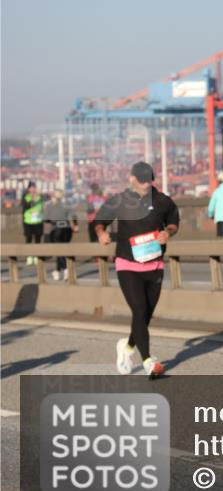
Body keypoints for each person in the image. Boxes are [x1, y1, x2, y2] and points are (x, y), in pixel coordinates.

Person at [94, 162, 179, 379]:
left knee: (146, 315)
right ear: (131, 179)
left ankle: (128, 346)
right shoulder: (120, 200)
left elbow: (173, 221)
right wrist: (101, 233)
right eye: (141, 181)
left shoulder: (162, 201)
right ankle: (149, 361)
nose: (145, 185)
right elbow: (99, 221)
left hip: (155, 265)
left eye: (148, 180)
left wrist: (168, 232)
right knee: (139, 310)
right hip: (128, 265)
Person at [43, 190, 79, 281]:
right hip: (67, 229)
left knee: (59, 251)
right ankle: (57, 271)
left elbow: (46, 219)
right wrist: (75, 225)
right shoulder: (67, 204)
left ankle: (66, 270)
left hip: (56, 229)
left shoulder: (50, 205)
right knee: (63, 250)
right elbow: (73, 215)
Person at [21, 182, 44, 266]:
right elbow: (26, 205)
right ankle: (29, 257)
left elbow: (42, 206)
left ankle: (37, 256)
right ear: (28, 189)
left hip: (38, 221)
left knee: (38, 239)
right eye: (31, 188)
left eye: (34, 187)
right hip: (28, 221)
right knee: (29, 239)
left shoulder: (40, 197)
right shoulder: (26, 197)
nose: (33, 189)